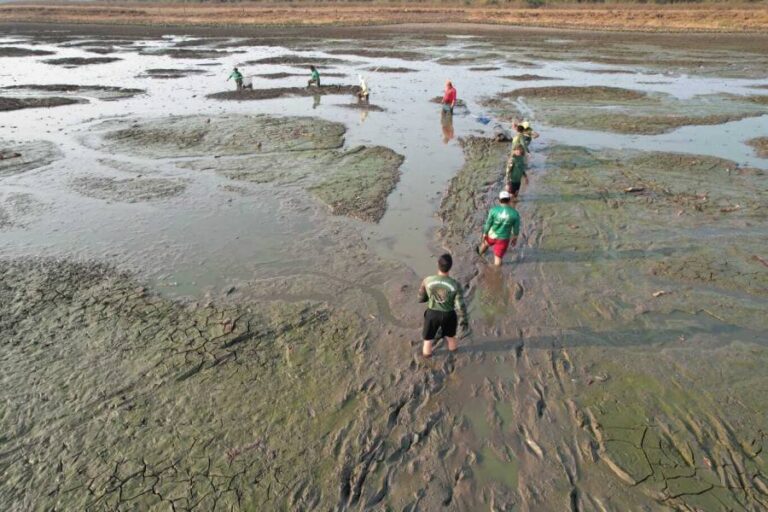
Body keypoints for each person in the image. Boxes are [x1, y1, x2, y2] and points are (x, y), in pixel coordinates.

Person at [418, 253, 468, 358]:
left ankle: (427, 358)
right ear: (450, 266)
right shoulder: (455, 284)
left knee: (428, 340)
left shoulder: (427, 280)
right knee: (451, 337)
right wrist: (464, 318)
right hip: (449, 314)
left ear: (438, 264)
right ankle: (454, 355)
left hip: (432, 314)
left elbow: (421, 298)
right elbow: (460, 305)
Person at [477, 190, 521, 266]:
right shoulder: (515, 213)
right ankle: (496, 273)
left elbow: (488, 223)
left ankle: (478, 255)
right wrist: (515, 238)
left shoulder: (493, 210)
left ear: (499, 200)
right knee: (498, 258)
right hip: (503, 239)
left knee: (485, 244)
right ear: (509, 200)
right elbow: (516, 228)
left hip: (492, 235)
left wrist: (485, 233)